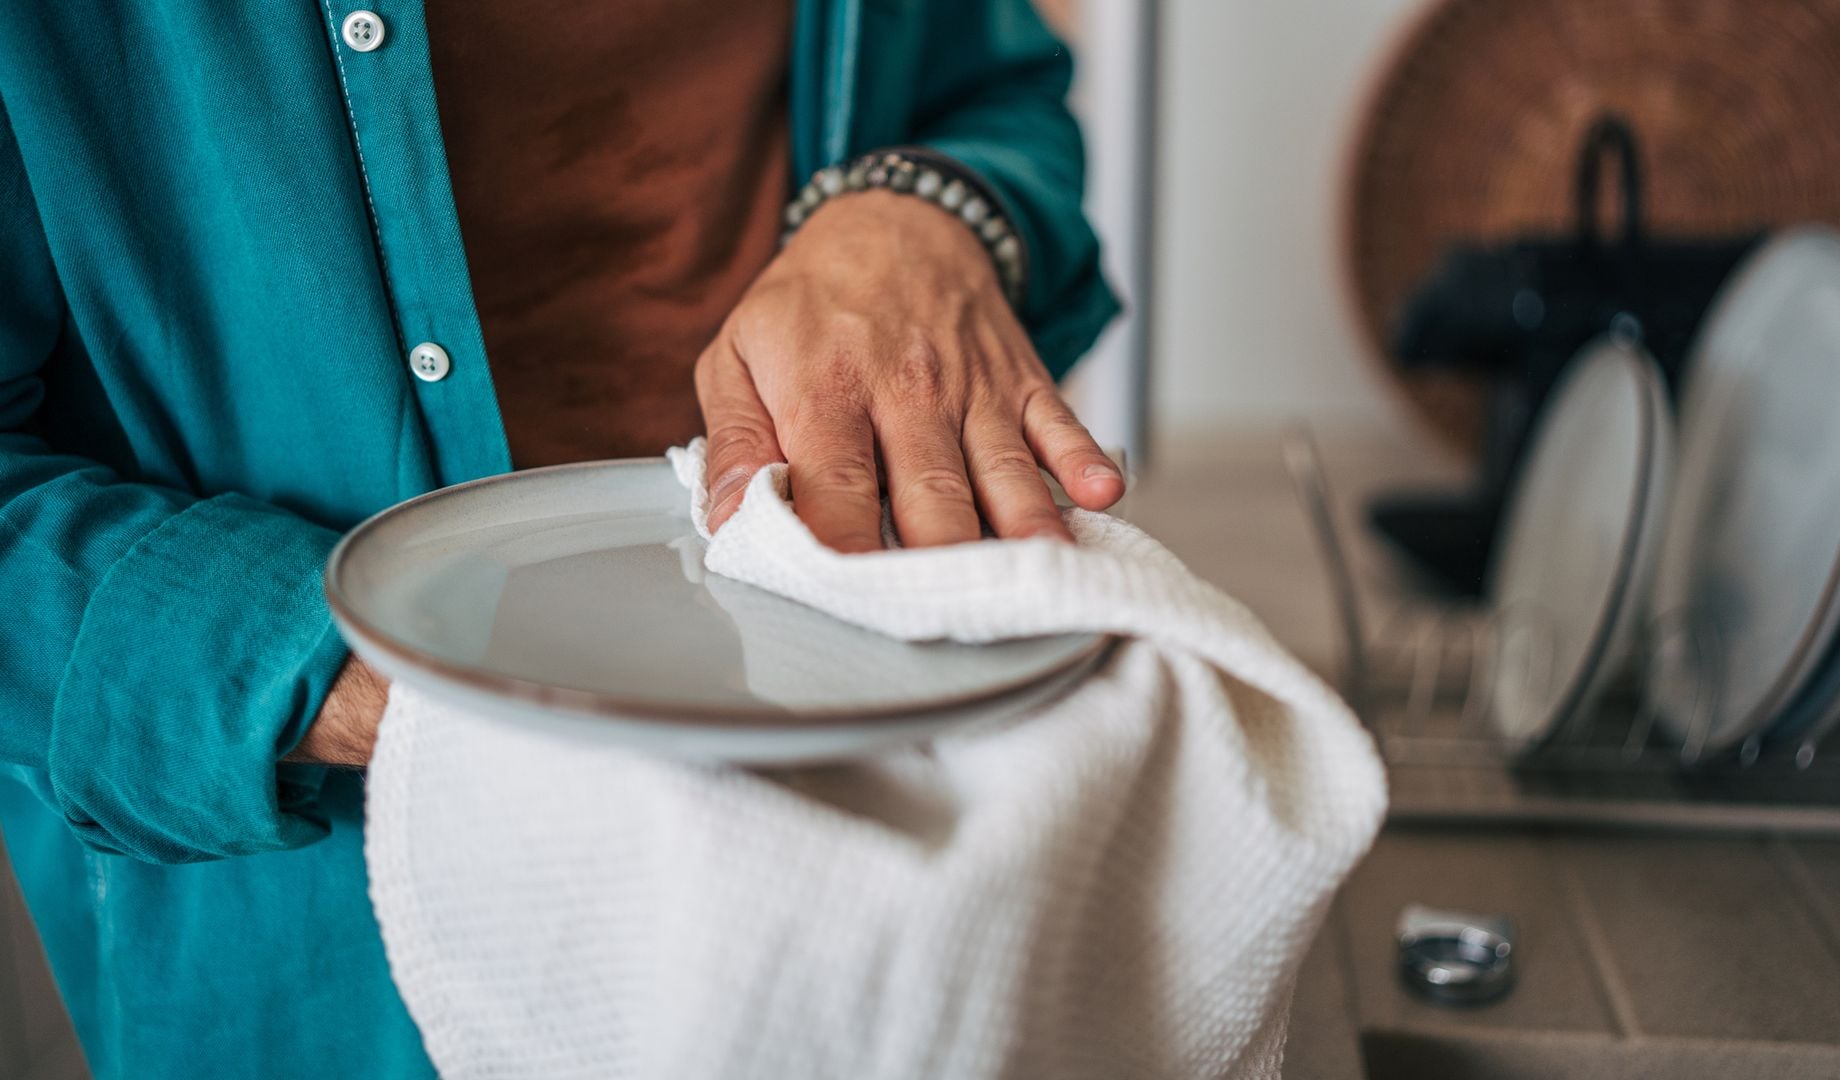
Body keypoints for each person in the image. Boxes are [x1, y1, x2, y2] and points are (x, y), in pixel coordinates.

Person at [0, 2, 1118, 1076]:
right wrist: (407, 699)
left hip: (847, 731)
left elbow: (1000, 86)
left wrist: (913, 216)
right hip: (328, 898)